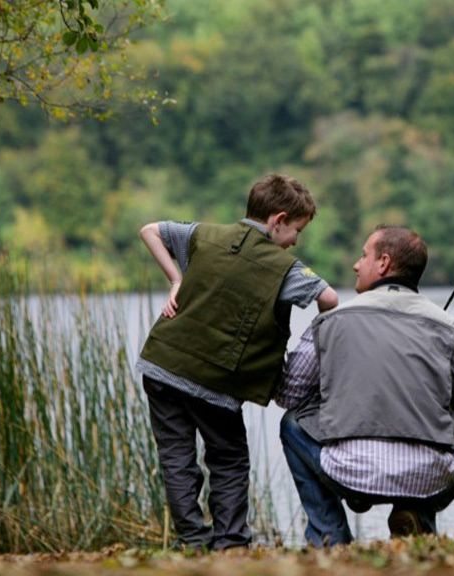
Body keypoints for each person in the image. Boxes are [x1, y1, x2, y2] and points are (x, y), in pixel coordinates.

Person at [136, 174, 339, 551]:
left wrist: (175, 280)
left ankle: (193, 541)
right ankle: (230, 545)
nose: (296, 241)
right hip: (215, 382)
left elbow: (150, 230)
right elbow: (329, 299)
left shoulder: (204, 234)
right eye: (296, 230)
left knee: (176, 457)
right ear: (277, 221)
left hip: (161, 364)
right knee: (228, 460)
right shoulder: (285, 268)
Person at [275, 225, 454, 546]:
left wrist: (334, 398)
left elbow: (290, 395)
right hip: (429, 477)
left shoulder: (330, 321)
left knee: (292, 425)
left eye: (363, 255)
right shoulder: (453, 329)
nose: (357, 264)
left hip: (347, 472)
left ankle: (330, 538)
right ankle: (415, 518)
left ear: (383, 263)